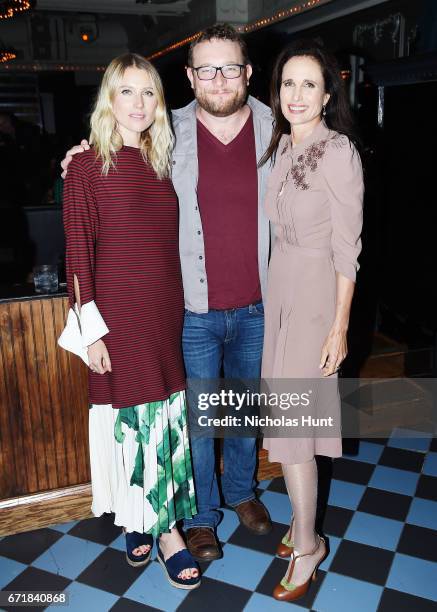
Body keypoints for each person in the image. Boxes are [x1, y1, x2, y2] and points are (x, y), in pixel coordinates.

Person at [61, 24, 273, 562]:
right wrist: (75, 159)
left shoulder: (272, 126)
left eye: (229, 67)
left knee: (241, 409)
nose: (218, 77)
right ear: (190, 76)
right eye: (206, 68)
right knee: (188, 420)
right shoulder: (165, 135)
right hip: (186, 310)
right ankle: (189, 520)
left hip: (241, 303)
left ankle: (241, 493)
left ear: (247, 72)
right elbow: (81, 244)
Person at [58, 53, 200, 589]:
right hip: (116, 317)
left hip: (164, 312)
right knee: (131, 422)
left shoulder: (163, 159)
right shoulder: (87, 166)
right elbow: (77, 256)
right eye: (127, 92)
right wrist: (91, 331)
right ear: (108, 99)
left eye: (148, 93)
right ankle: (165, 533)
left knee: (163, 418)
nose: (138, 104)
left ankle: (140, 520)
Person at [259, 40, 364, 602]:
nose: (296, 95)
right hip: (281, 292)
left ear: (327, 93)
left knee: (295, 430)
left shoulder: (338, 151)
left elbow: (349, 247)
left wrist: (340, 325)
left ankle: (308, 543)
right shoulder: (278, 145)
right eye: (288, 84)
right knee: (285, 418)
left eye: (308, 84)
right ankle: (302, 525)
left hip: (318, 295)